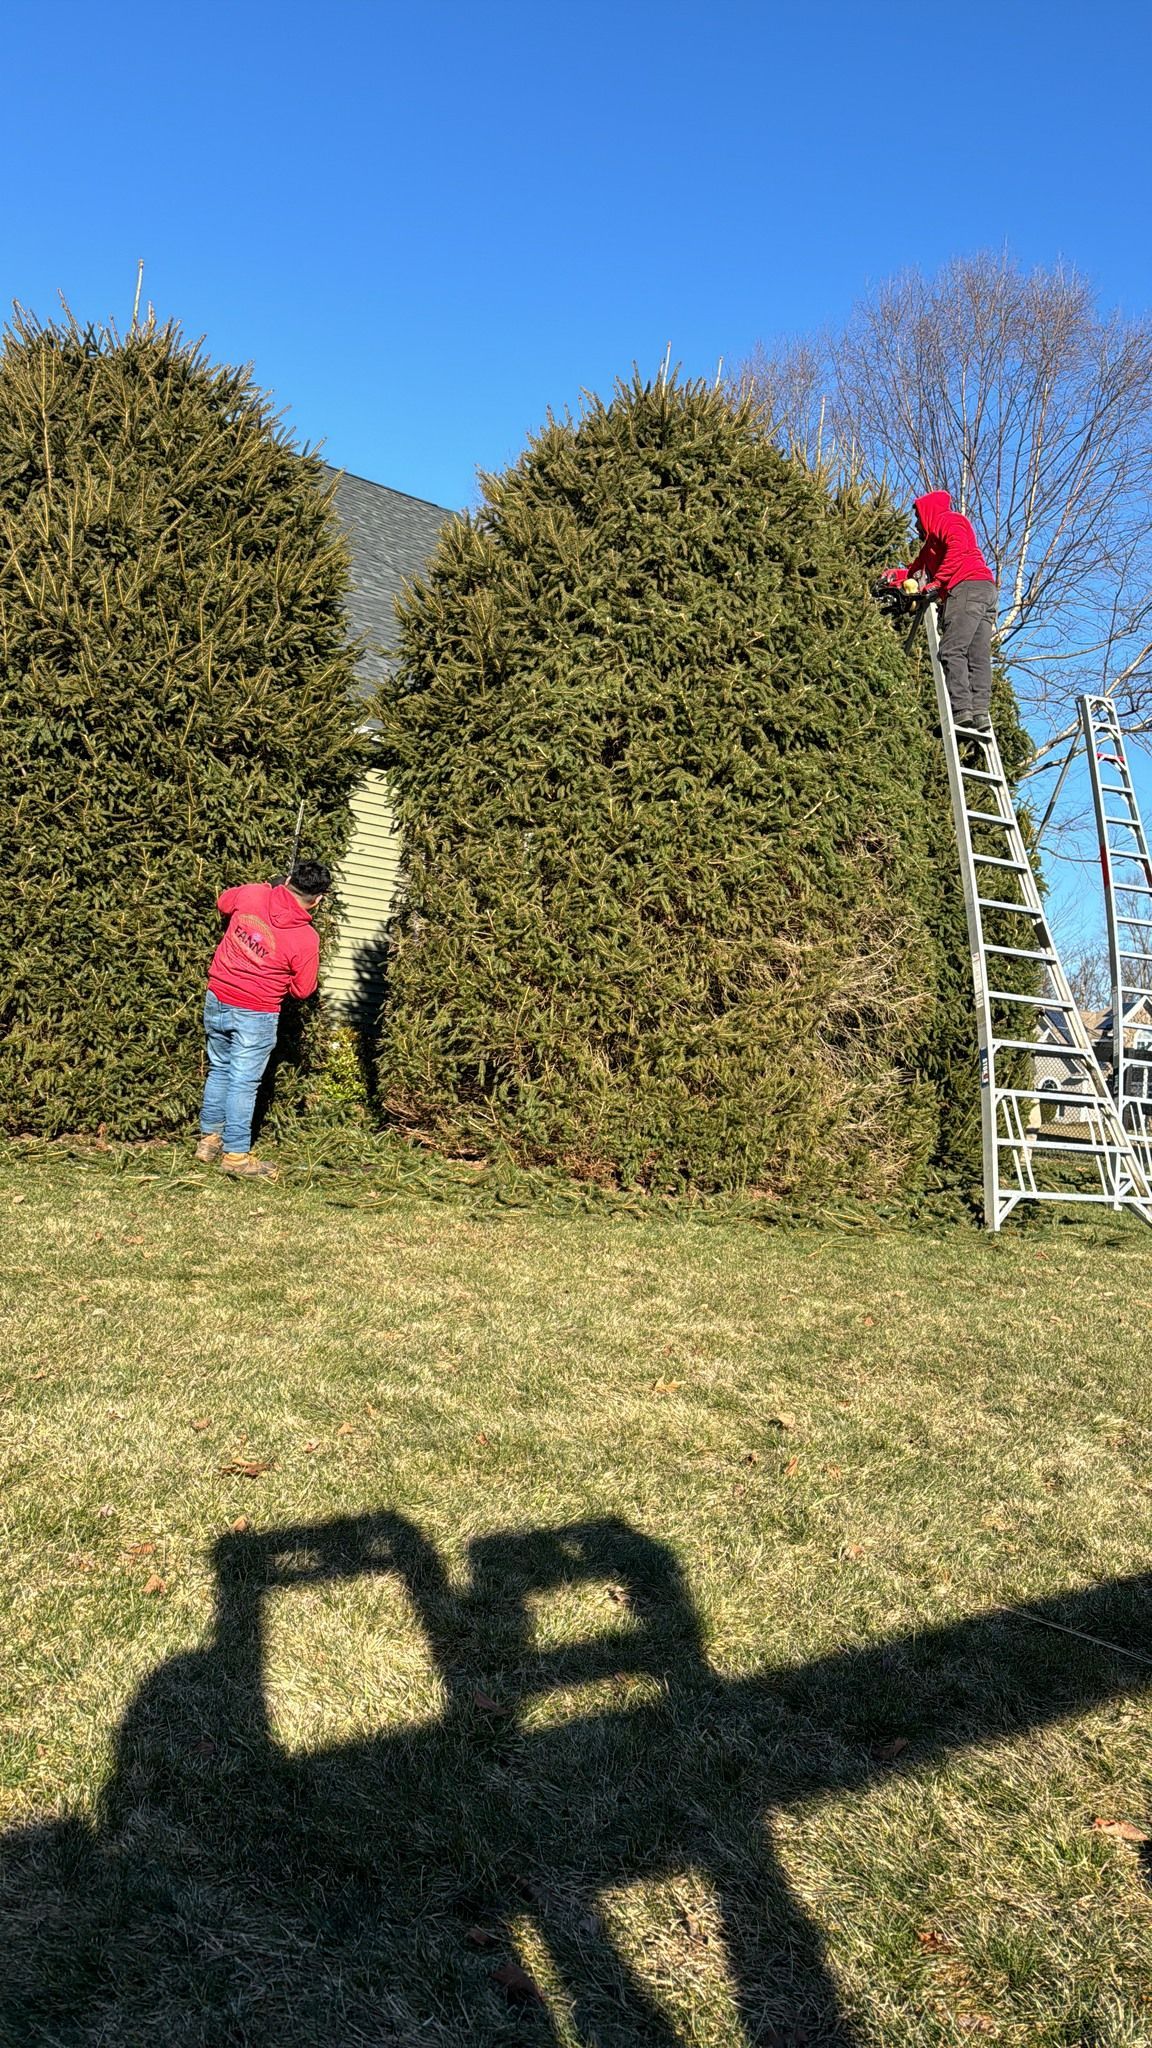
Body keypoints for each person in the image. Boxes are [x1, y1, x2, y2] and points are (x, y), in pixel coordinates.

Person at [195, 860, 331, 1178]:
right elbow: (302, 990)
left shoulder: (254, 894)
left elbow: (223, 902)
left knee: (220, 1069)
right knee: (244, 1081)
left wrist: (268, 889)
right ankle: (237, 1157)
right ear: (318, 899)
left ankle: (209, 1141)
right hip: (256, 1012)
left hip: (217, 997)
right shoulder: (306, 938)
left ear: (288, 878)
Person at [884, 490, 997, 732]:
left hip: (966, 587)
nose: (916, 525)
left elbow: (958, 548)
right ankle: (980, 714)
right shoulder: (931, 548)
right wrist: (894, 579)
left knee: (951, 650)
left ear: (927, 512)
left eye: (917, 518)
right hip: (983, 589)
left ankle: (961, 710)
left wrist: (939, 582)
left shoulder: (950, 520)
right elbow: (915, 573)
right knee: (977, 655)